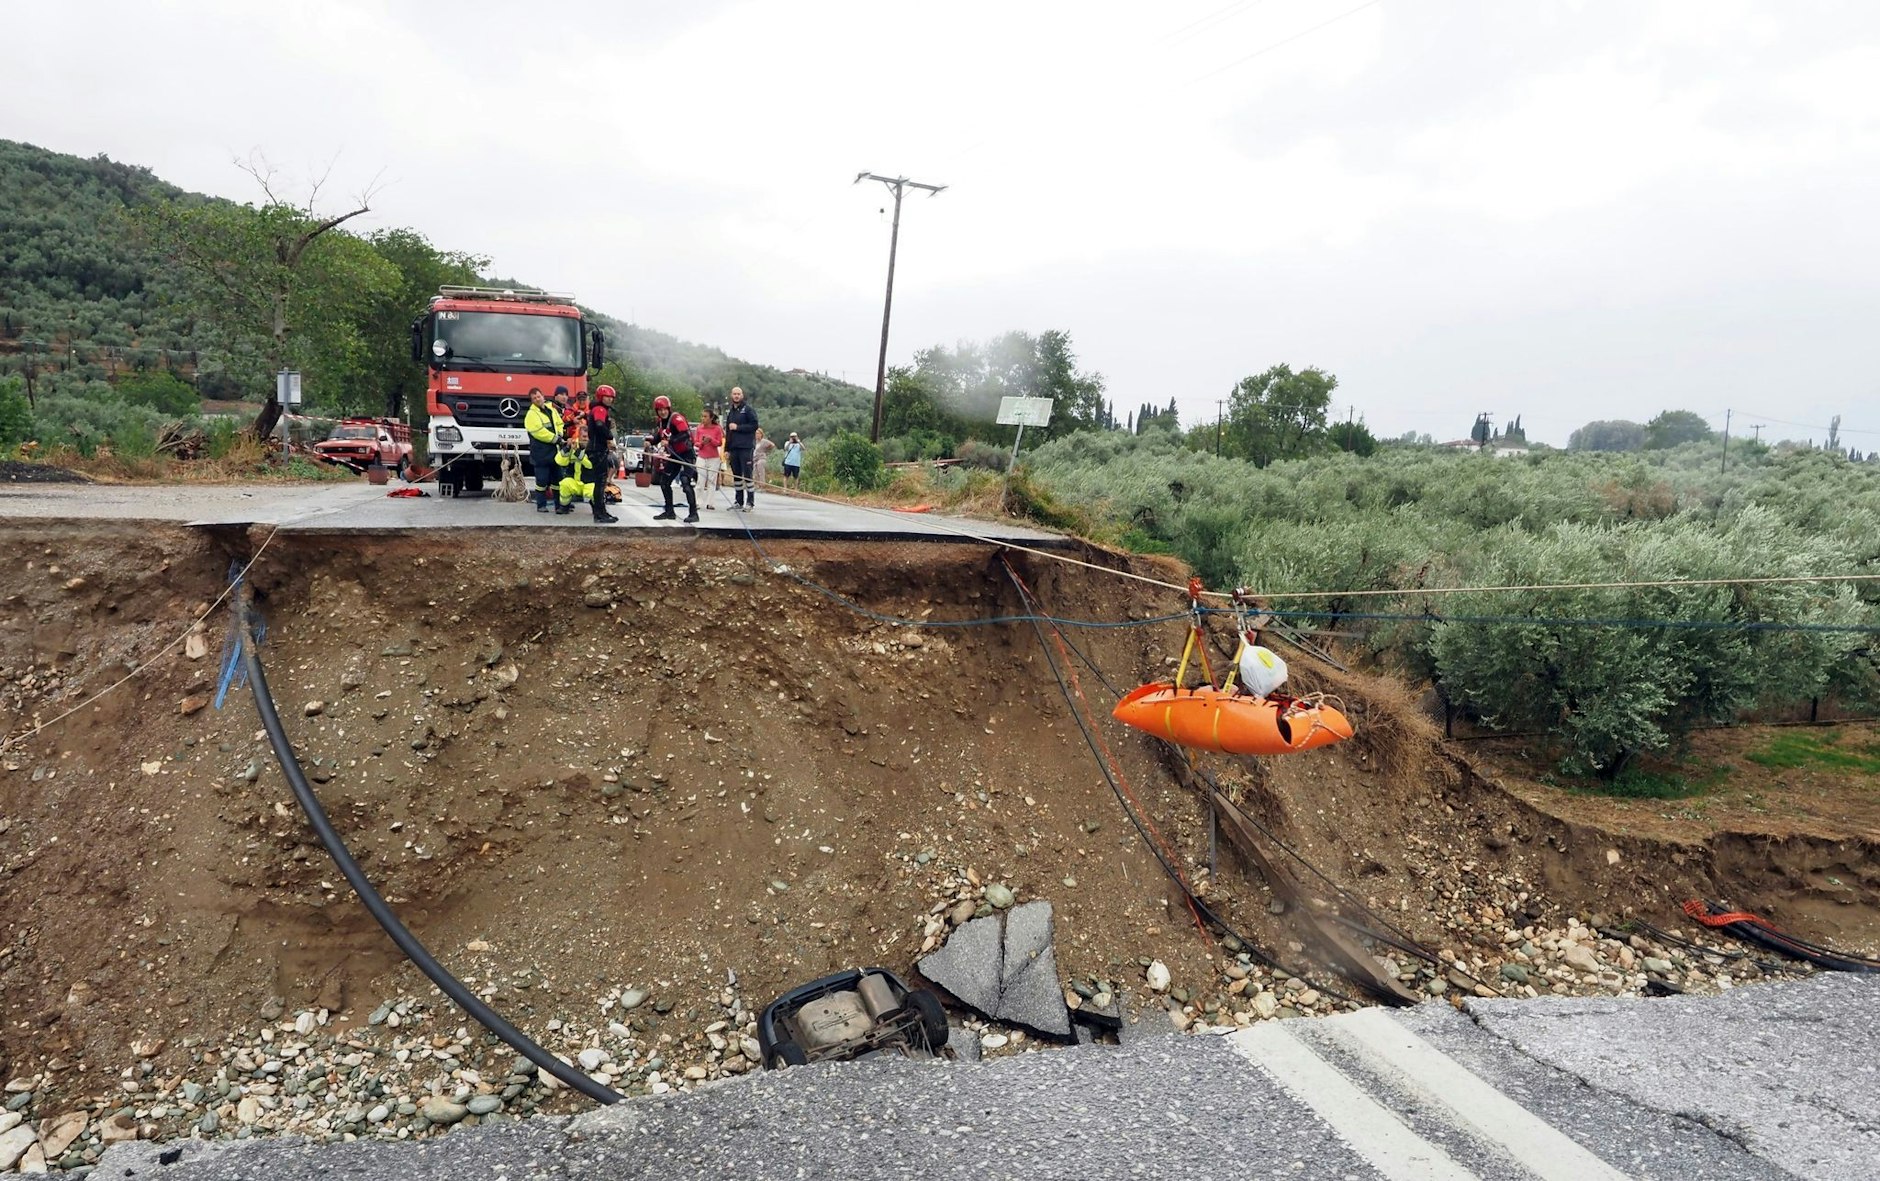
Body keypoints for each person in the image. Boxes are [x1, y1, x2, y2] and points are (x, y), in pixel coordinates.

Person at [653, 411, 700, 523]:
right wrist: (649, 442)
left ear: (668, 409)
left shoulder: (676, 418)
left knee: (685, 481)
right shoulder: (661, 423)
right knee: (664, 481)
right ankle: (669, 511)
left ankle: (694, 514)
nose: (663, 412)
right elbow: (659, 437)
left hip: (687, 454)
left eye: (665, 409)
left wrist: (670, 440)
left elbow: (684, 434)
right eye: (660, 410)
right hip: (674, 455)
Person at [584, 385, 620, 524]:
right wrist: (609, 436)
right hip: (597, 449)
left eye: (611, 397)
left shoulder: (598, 408)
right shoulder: (599, 409)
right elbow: (599, 424)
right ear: (600, 397)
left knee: (600, 481)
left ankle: (600, 510)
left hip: (596, 448)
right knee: (600, 482)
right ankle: (599, 513)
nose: (610, 399)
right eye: (607, 397)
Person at [523, 387, 563, 512]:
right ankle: (541, 505)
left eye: (538, 396)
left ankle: (559, 505)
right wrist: (555, 439)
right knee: (542, 481)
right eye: (534, 398)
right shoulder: (531, 414)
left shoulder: (551, 409)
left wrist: (560, 435)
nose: (537, 399)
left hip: (554, 452)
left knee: (557, 480)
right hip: (540, 453)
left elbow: (559, 423)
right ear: (531, 401)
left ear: (543, 396)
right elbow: (538, 432)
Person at [722, 385, 759, 510]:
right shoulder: (731, 411)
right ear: (731, 395)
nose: (736, 396)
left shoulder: (748, 410)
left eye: (738, 394)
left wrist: (738, 427)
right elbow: (728, 431)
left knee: (747, 475)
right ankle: (738, 501)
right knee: (736, 476)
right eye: (734, 394)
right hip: (734, 448)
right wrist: (726, 449)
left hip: (746, 447)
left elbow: (754, 425)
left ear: (742, 395)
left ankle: (750, 502)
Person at [695, 409, 724, 509]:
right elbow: (696, 442)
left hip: (713, 458)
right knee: (700, 480)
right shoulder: (699, 428)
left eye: (705, 416)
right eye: (702, 416)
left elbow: (719, 442)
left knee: (712, 481)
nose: (703, 419)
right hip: (702, 456)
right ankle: (698, 501)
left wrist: (711, 440)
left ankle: (710, 503)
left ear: (711, 418)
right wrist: (702, 443)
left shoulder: (717, 428)